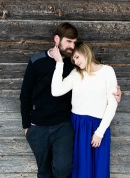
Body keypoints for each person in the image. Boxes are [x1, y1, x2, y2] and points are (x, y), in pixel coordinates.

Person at [20, 23, 121, 178]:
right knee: (50, 171)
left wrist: (115, 94)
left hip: (75, 126)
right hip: (54, 126)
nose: (72, 48)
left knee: (71, 169)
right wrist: (26, 126)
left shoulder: (90, 69)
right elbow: (31, 93)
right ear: (57, 39)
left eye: (75, 44)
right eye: (69, 42)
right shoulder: (44, 63)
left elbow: (107, 97)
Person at [51, 41, 118, 178]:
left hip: (98, 126)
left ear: (85, 52)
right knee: (80, 169)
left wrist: (99, 132)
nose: (75, 62)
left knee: (99, 168)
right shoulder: (76, 74)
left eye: (77, 57)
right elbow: (56, 91)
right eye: (73, 59)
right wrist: (59, 64)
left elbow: (112, 104)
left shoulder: (107, 71)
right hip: (77, 125)